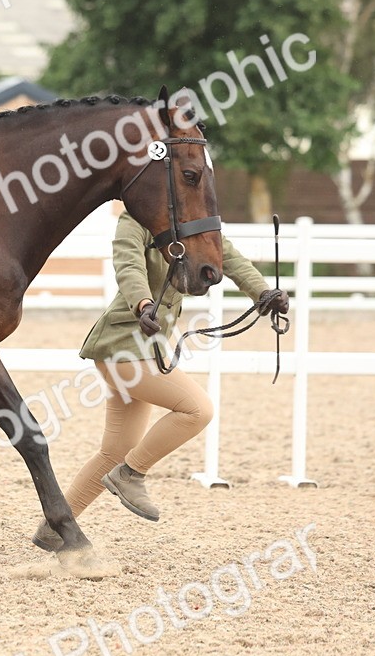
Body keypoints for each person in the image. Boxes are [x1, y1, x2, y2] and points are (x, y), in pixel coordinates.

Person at [33, 212, 289, 551]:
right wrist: (142, 303)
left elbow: (228, 257)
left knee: (113, 452)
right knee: (198, 410)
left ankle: (55, 528)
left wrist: (264, 293)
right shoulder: (134, 221)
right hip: (121, 346)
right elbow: (128, 266)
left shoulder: (195, 222)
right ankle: (131, 475)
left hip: (148, 351)